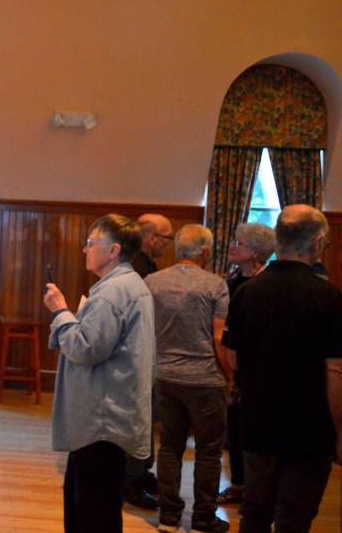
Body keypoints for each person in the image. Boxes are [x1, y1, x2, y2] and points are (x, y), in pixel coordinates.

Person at [222, 205, 342, 533]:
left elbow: (232, 358)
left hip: (258, 421)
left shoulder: (248, 291)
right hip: (309, 427)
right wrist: (340, 430)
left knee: (255, 512)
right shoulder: (329, 297)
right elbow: (334, 372)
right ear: (317, 242)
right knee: (295, 518)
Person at [44, 214, 155, 533]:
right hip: (109, 411)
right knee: (92, 502)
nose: (84, 249)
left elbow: (86, 349)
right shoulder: (128, 284)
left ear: (113, 250)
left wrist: (61, 311)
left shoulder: (111, 293)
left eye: (92, 243)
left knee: (93, 510)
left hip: (101, 417)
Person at [146, 224, 231, 533]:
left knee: (169, 446)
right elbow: (219, 337)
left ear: (178, 249)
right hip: (205, 379)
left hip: (165, 375)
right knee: (209, 451)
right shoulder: (215, 285)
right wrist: (229, 376)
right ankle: (203, 519)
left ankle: (168, 517)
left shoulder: (152, 282)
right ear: (205, 251)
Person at [219, 222, 276, 506]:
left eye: (238, 244)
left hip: (256, 369)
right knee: (234, 430)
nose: (232, 247)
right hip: (230, 364)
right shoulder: (232, 279)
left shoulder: (265, 284)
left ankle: (257, 492)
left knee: (253, 434)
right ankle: (240, 484)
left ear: (255, 252)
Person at [124, 212, 173, 509]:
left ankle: (139, 473)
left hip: (142, 354)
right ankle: (130, 481)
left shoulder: (144, 266)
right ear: (150, 238)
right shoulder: (138, 270)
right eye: (166, 237)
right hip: (135, 357)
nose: (169, 243)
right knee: (136, 419)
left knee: (143, 418)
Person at [130, 213, 174, 279]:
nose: (167, 242)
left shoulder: (133, 260)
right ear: (152, 239)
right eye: (167, 236)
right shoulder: (139, 270)